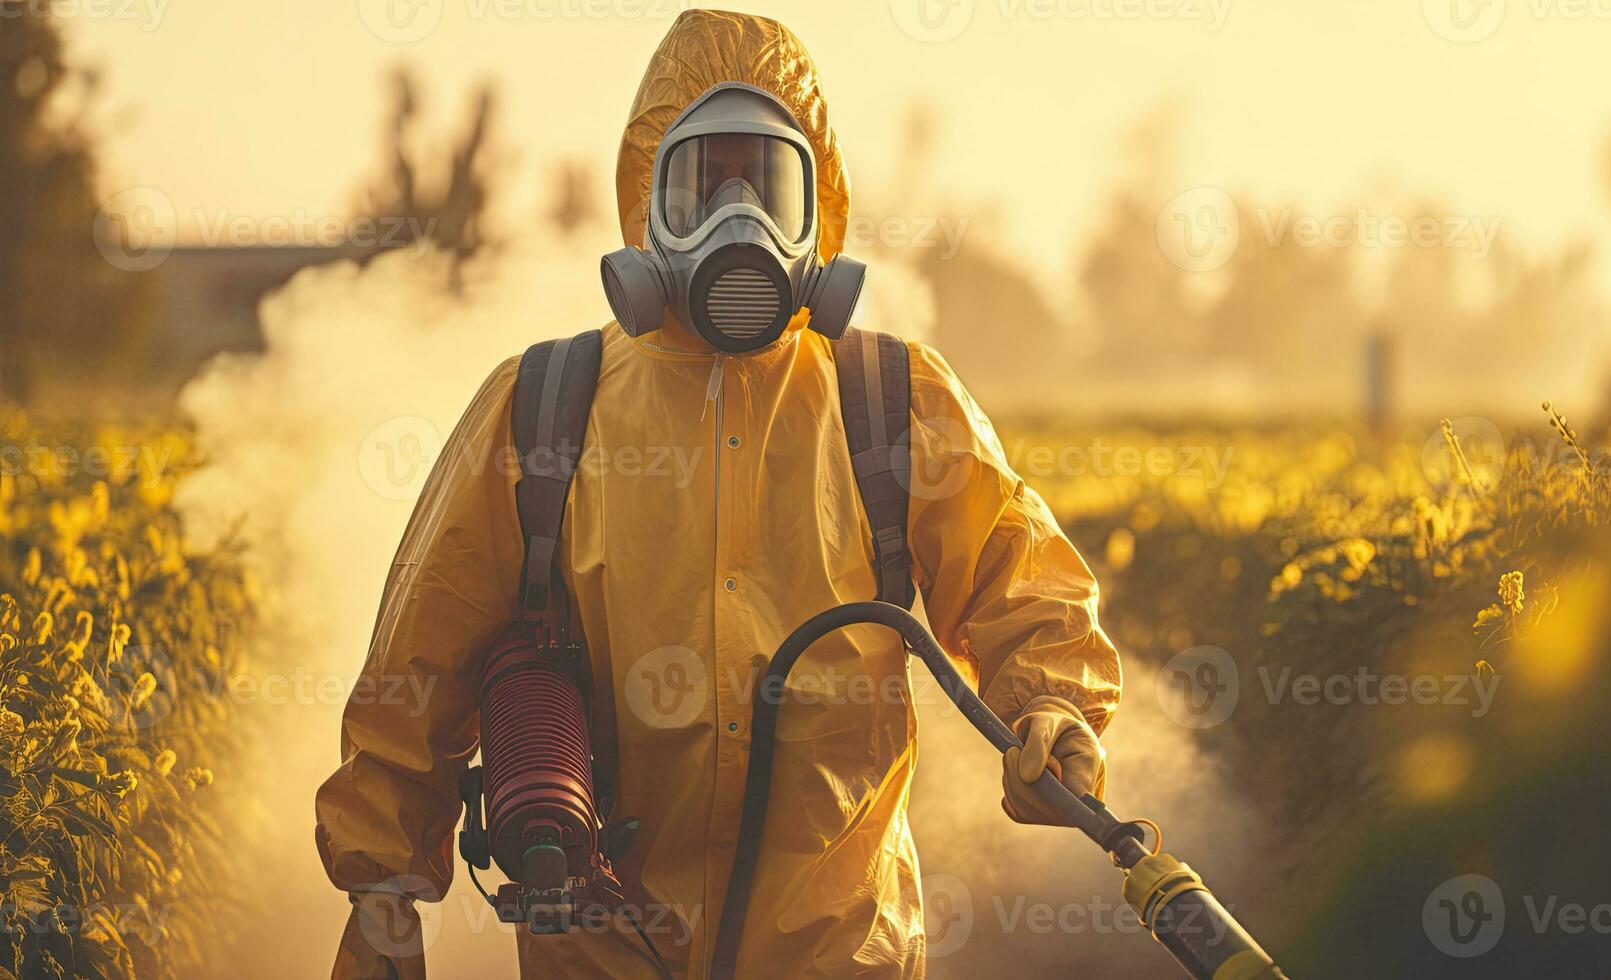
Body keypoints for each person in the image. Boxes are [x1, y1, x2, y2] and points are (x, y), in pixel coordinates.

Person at [315, 9, 1122, 978]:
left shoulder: (891, 400)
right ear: (645, 203)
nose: (735, 219)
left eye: (765, 185)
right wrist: (384, 891)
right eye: (703, 184)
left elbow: (1017, 577)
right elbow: (423, 657)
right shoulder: (541, 407)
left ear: (815, 208)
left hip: (838, 950)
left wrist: (1054, 705)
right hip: (602, 947)